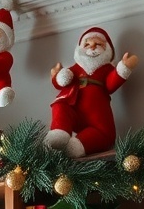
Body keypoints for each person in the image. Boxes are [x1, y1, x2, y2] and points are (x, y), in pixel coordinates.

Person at [44, 27, 138, 157]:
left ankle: (77, 145)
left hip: (98, 115)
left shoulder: (106, 69)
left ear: (108, 49)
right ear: (80, 48)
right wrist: (57, 75)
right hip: (73, 107)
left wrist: (124, 67)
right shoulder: (74, 69)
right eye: (87, 44)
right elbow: (61, 82)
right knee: (60, 106)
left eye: (98, 44)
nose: (92, 47)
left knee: (102, 133)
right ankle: (59, 132)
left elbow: (111, 84)